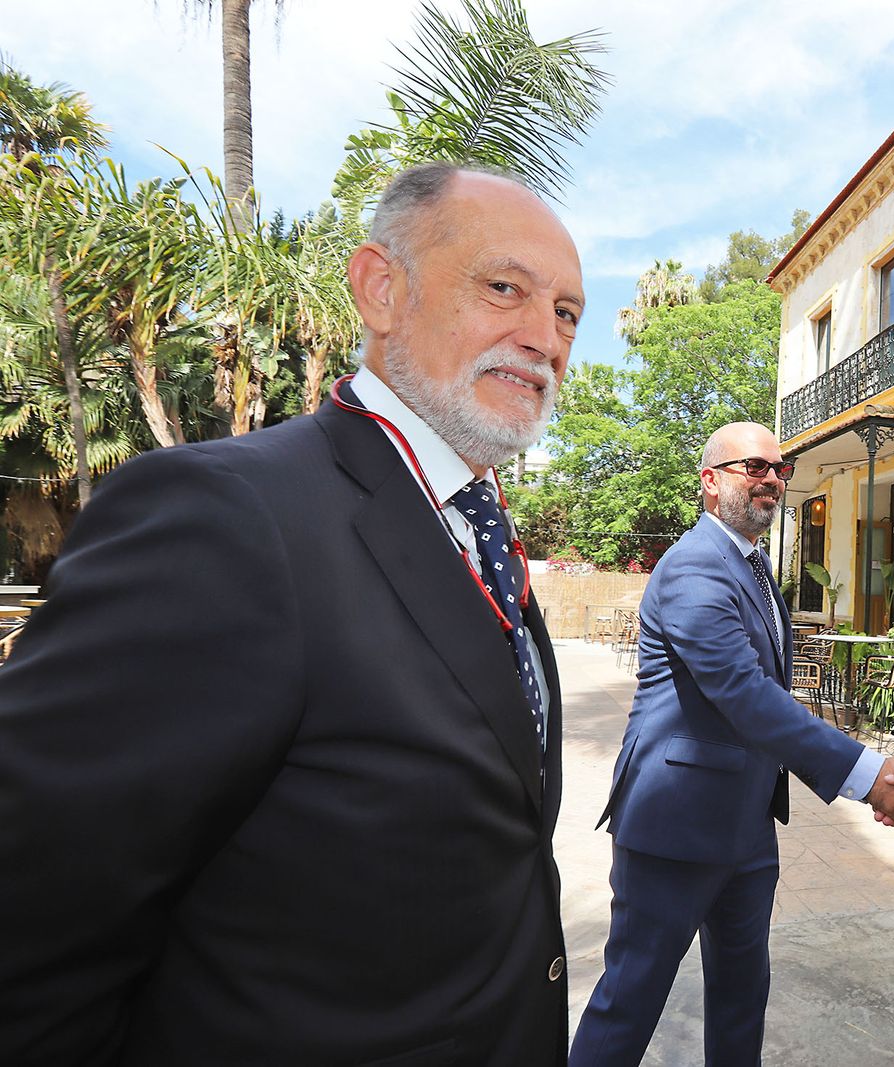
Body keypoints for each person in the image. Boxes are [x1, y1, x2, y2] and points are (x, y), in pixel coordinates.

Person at [0, 163, 581, 1064]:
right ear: (381, 289)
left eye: (568, 312)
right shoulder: (224, 518)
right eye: (505, 288)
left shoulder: (482, 531)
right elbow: (35, 923)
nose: (545, 337)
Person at [569, 421, 894, 1066]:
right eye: (755, 467)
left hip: (747, 827)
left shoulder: (755, 565)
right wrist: (868, 773)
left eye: (780, 469)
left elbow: (765, 693)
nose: (772, 478)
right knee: (631, 997)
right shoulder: (693, 565)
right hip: (674, 825)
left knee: (743, 996)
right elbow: (742, 691)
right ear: (710, 481)